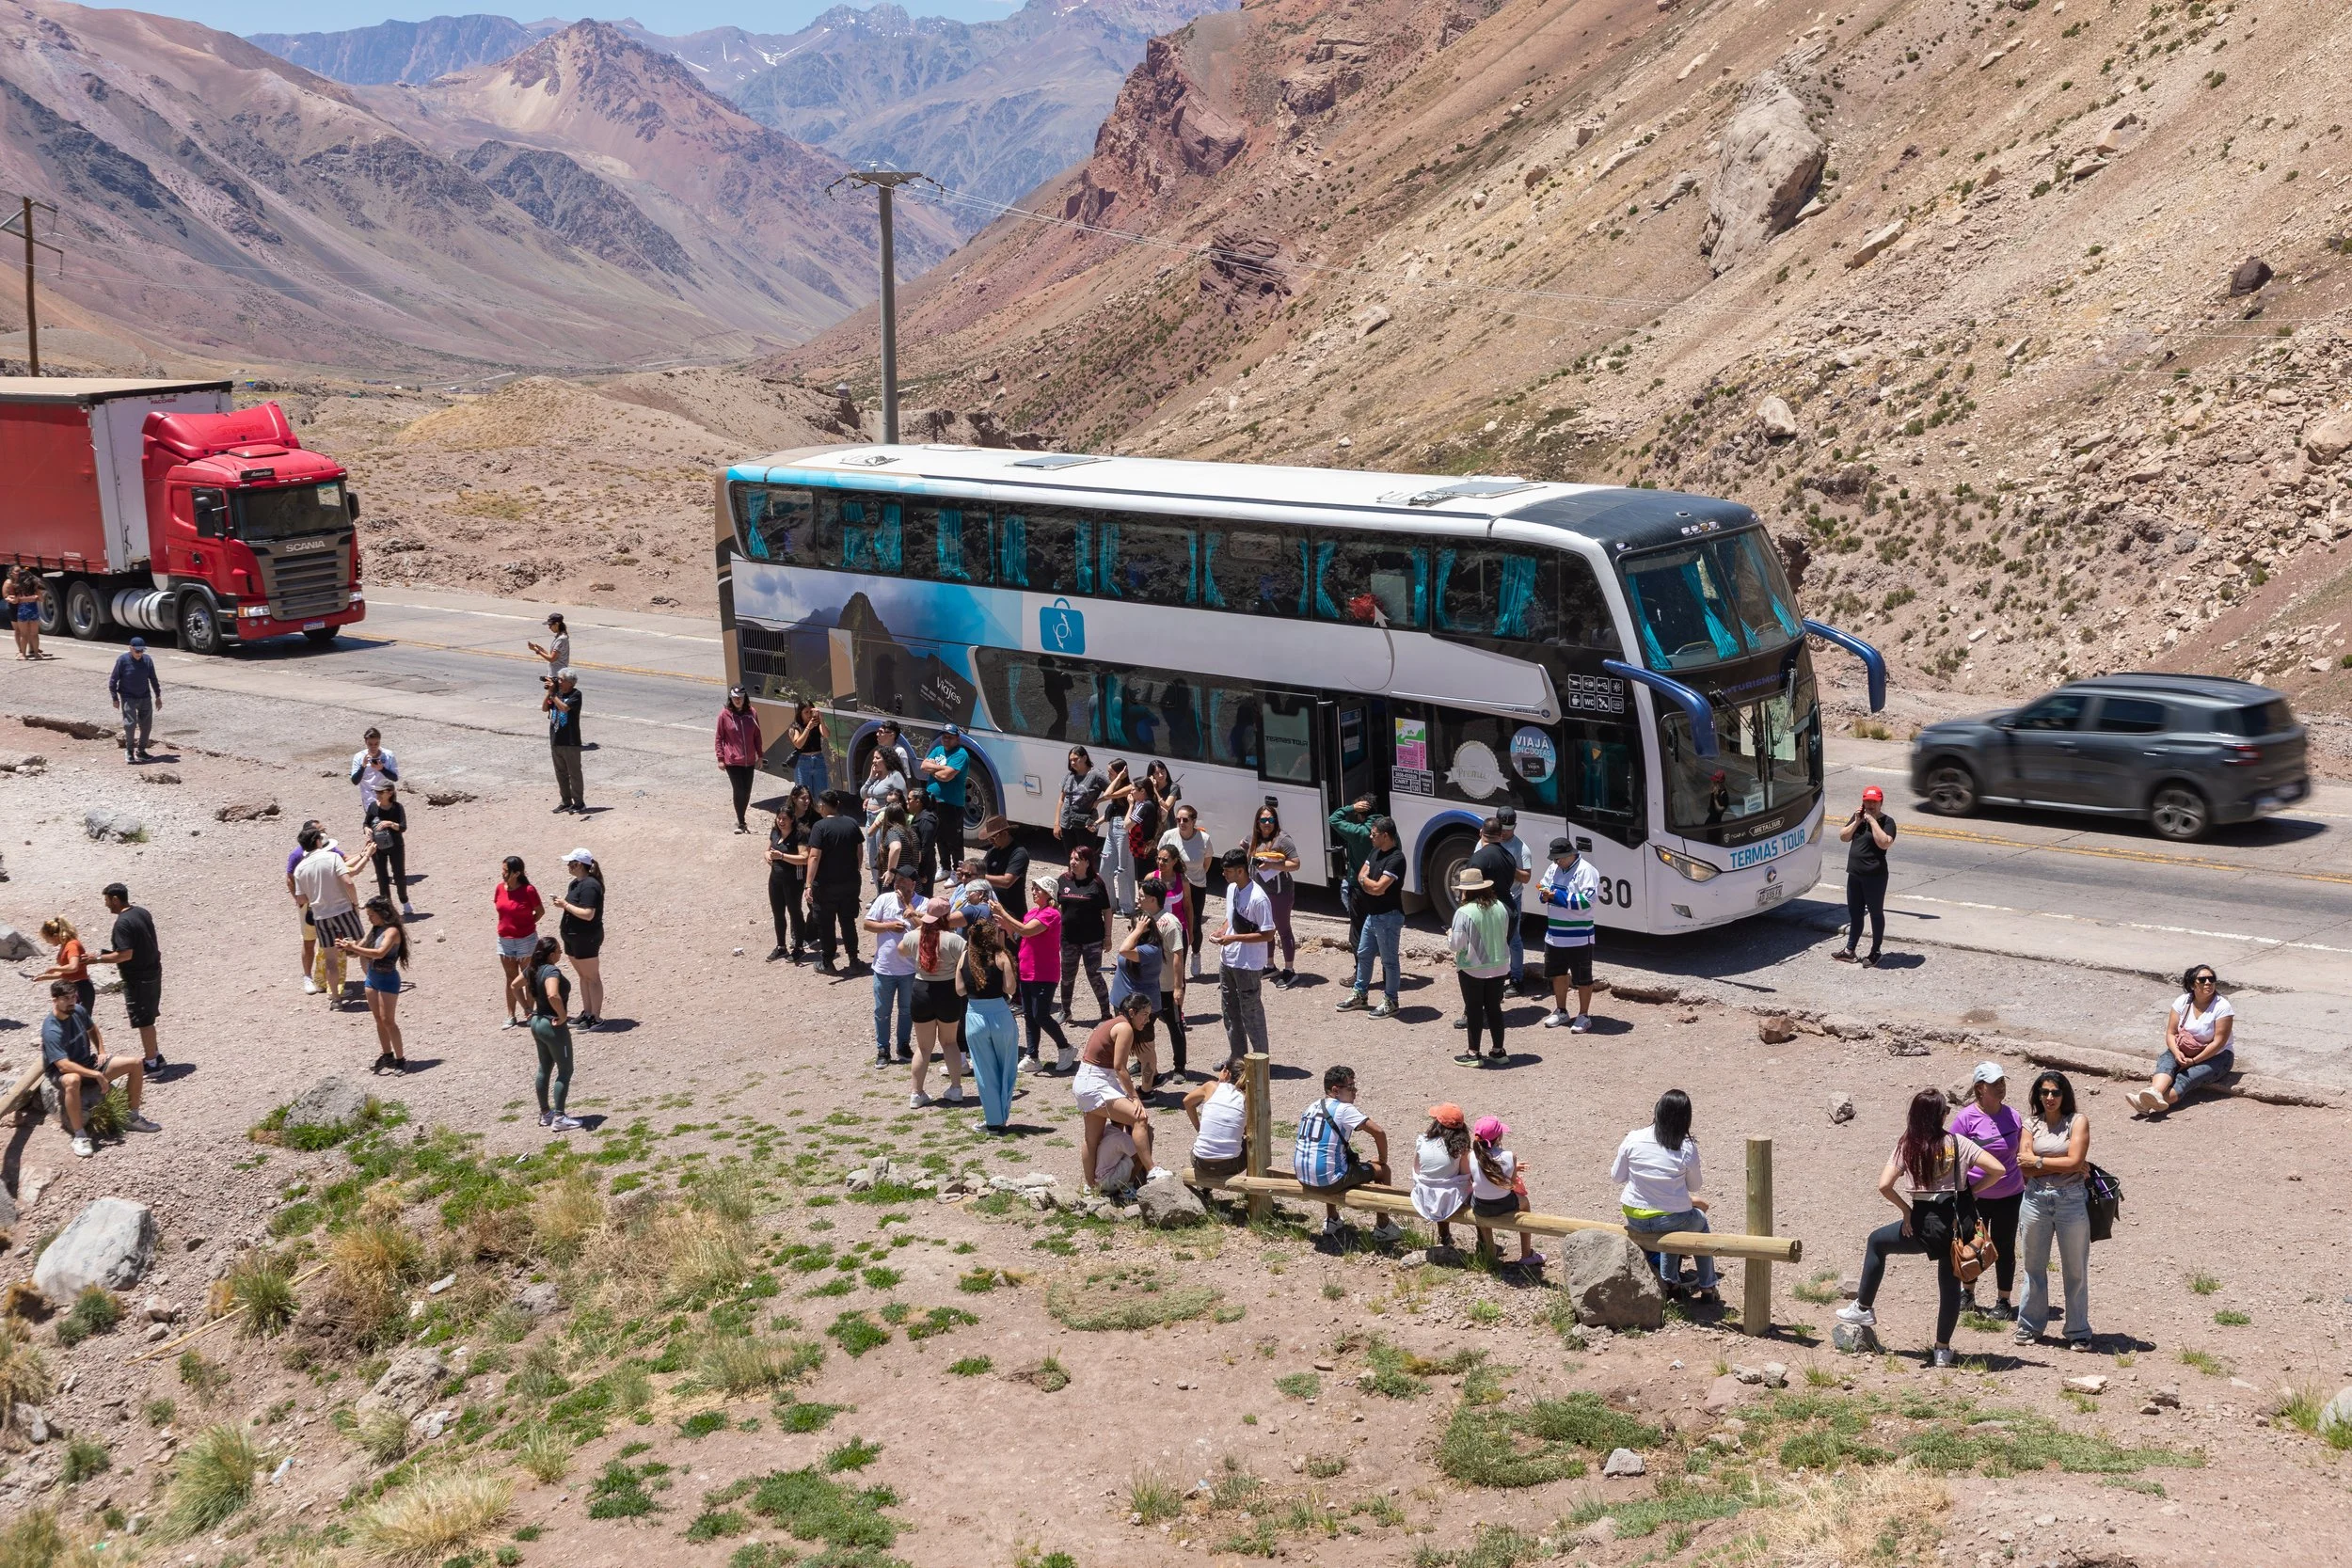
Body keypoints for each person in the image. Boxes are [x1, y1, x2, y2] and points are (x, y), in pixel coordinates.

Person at [1837, 1088, 2008, 1367]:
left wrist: (1906, 1210)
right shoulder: (1958, 1143)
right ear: (1940, 1115)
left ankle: (1864, 1307)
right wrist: (1972, 1192)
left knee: (1878, 1242)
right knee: (1951, 1283)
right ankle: (1942, 1350)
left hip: (1924, 1224)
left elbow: (1884, 1185)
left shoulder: (1908, 1145)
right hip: (1958, 1224)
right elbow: (1998, 1169)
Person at [2013, 1071, 2095, 1351]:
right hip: (2035, 1200)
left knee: (2076, 1269)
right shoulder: (2030, 1124)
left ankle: (2078, 1330)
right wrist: (2060, 1161)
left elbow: (2075, 1162)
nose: (2050, 1098)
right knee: (2033, 1268)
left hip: (2070, 1201)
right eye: (2045, 1092)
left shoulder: (2077, 1121)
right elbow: (2022, 1166)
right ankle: (2029, 1326)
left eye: (2055, 1093)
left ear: (2065, 1095)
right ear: (2038, 1094)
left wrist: (2038, 1161)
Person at [1612, 1090, 1718, 1304]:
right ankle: (1707, 1287)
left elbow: (1617, 1177)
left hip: (1636, 1217)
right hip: (1671, 1219)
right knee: (1699, 1223)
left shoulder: (1633, 1137)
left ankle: (1671, 1282)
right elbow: (1695, 1185)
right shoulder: (1686, 1147)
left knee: (1673, 1225)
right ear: (1686, 1118)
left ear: (1657, 1111)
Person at [41, 980, 160, 1158]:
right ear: (55, 1000)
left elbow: (92, 1028)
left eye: (73, 996)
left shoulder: (78, 1011)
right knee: (72, 1080)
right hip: (62, 1072)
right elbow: (63, 1065)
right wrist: (96, 1074)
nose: (71, 1001)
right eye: (66, 998)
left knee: (135, 1063)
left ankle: (132, 1117)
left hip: (87, 1062)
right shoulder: (51, 1029)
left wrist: (101, 1051)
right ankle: (80, 1136)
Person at [1947, 1062, 2025, 1322]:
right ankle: (1967, 1293)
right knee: (1972, 1244)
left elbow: (2019, 1153)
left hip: (2010, 1194)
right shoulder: (1966, 1119)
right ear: (1980, 1088)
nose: (2001, 1087)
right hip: (1976, 1195)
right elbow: (1952, 1154)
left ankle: (2003, 1301)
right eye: (1995, 1083)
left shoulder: (2013, 1116)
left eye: (2002, 1081)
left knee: (2005, 1246)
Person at [1292, 1065, 1401, 1243]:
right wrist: (1382, 1159)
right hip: (1327, 1181)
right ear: (1336, 1090)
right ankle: (1383, 1227)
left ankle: (1332, 1219)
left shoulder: (1311, 1106)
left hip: (1303, 1177)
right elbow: (1379, 1132)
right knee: (1383, 1170)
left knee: (1332, 1159)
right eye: (1350, 1087)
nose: (1355, 1092)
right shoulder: (1343, 1109)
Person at [1075, 994, 1159, 1189]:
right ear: (1132, 1012)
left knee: (1092, 1139)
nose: (1147, 1020)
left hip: (1086, 1081)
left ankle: (1092, 1186)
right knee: (1139, 1118)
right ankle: (1152, 1170)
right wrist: (1135, 1097)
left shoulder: (1113, 1023)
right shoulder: (1125, 1028)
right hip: (1097, 1083)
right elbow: (1120, 1067)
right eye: (1144, 1015)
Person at [996, 870, 1074, 1073]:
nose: (1033, 892)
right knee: (1030, 1015)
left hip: (1044, 973)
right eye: (1033, 888)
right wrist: (1006, 926)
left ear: (1048, 893)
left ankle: (1065, 1047)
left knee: (1041, 1014)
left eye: (1037, 889)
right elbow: (1020, 938)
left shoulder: (1051, 914)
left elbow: (1026, 931)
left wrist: (1005, 914)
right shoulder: (1031, 914)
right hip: (1027, 971)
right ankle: (1032, 1055)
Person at [2132, 964, 2233, 1117]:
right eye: (2203, 979)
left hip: (2217, 1056)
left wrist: (2194, 1061)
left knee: (2186, 1078)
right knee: (2166, 1063)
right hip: (2184, 1048)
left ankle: (2144, 1103)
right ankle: (2154, 1093)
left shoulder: (2222, 1007)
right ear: (2192, 984)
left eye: (2211, 979)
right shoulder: (2183, 1001)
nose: (2208, 983)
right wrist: (2176, 1052)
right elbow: (2171, 1033)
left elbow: (2218, 1042)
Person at [1336, 817, 1406, 1018]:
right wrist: (1368, 883)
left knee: (1389, 961)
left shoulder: (1396, 858)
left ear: (1386, 836)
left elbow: (1378, 888)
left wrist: (1367, 883)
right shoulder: (1375, 851)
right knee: (1364, 953)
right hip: (1373, 915)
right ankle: (1360, 994)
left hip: (1389, 917)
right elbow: (1362, 875)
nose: (1370, 837)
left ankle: (1391, 1001)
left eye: (1374, 834)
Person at [92, 884, 167, 1071]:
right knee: (148, 1016)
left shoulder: (122, 923)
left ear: (115, 899)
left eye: (107, 900)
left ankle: (151, 1063)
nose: (106, 905)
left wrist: (96, 959)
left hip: (138, 978)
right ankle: (156, 1055)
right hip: (152, 972)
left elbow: (125, 954)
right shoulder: (141, 912)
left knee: (144, 1020)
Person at [958, 911, 1021, 1132]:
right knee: (1007, 1068)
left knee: (984, 1070)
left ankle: (993, 1121)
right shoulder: (1001, 956)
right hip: (1000, 1014)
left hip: (975, 1016)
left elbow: (959, 989)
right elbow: (1010, 989)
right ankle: (1002, 1115)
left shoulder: (965, 957)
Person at [901, 898, 967, 1108]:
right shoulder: (954, 940)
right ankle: (956, 1089)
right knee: (950, 1042)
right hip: (948, 991)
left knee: (923, 1047)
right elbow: (967, 960)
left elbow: (901, 950)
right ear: (946, 917)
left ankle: (916, 1093)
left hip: (921, 991)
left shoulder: (913, 937)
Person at [293, 830, 366, 1011]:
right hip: (343, 910)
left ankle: (336, 999)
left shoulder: (300, 869)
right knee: (363, 949)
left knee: (331, 959)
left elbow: (301, 899)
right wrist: (355, 904)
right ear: (318, 841)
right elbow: (348, 882)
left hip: (321, 916)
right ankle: (375, 986)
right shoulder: (332, 858)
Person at [1214, 846, 1275, 1064]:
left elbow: (1267, 934)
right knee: (1229, 1010)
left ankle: (1260, 1060)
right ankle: (1238, 1058)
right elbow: (1232, 916)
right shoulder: (1232, 889)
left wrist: (1232, 939)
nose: (1223, 874)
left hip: (1248, 964)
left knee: (1251, 1012)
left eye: (1227, 870)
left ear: (1240, 871)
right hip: (1228, 959)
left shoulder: (1259, 898)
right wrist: (1223, 930)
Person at [337, 895, 410, 1073]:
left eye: (371, 915)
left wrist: (354, 948)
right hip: (372, 978)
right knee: (378, 1019)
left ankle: (401, 1059)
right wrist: (348, 946)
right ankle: (387, 1055)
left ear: (382, 913)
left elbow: (379, 953)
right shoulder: (375, 930)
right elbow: (359, 949)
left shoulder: (392, 931)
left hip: (388, 980)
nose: (369, 918)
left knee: (388, 1021)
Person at [1447, 868, 1511, 1065]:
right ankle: (1499, 1051)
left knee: (1474, 1009)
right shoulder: (1500, 906)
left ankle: (1473, 1053)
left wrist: (1450, 934)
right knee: (1494, 1008)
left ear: (1466, 891)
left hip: (1473, 967)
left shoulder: (1463, 912)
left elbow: (1456, 945)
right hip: (1500, 966)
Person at [1535, 836, 1599, 1032]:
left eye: (1559, 858)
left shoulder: (1586, 871)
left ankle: (1584, 1015)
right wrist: (1544, 894)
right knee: (1557, 974)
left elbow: (1588, 901)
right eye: (1554, 859)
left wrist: (1557, 896)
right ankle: (1561, 1011)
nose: (1556, 862)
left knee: (1583, 978)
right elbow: (1543, 888)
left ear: (1570, 854)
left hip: (1579, 936)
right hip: (1555, 935)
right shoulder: (1554, 868)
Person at [863, 863, 922, 1067]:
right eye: (896, 880)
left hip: (909, 969)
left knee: (907, 1010)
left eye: (903, 881)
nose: (898, 884)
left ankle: (903, 1045)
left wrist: (908, 907)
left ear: (913, 884)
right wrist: (888, 926)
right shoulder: (883, 899)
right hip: (884, 968)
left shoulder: (923, 904)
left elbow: (927, 930)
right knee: (882, 1011)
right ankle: (883, 1048)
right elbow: (867, 924)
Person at [1111, 881, 1171, 1075]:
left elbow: (1123, 950)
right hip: (1125, 1005)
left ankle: (1150, 1083)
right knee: (1131, 1044)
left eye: (1133, 928)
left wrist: (1137, 931)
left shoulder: (1150, 950)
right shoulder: (1140, 949)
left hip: (1140, 1008)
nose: (1130, 931)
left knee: (1145, 1048)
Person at [523, 935, 582, 1132]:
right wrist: (562, 1015)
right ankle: (559, 1117)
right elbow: (552, 994)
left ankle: (545, 1113)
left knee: (544, 1068)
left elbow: (515, 986)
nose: (561, 953)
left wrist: (526, 1008)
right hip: (553, 1025)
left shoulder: (532, 969)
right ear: (550, 954)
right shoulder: (551, 971)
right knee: (565, 1070)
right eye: (558, 950)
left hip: (537, 1022)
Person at [1836, 785, 1898, 965]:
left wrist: (1872, 821)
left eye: (1874, 802)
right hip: (1854, 874)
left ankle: (1875, 951)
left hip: (1875, 877)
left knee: (1876, 913)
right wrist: (1856, 822)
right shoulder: (1858, 819)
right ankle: (1850, 950)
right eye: (1867, 801)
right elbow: (1843, 837)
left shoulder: (1888, 822)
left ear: (1880, 803)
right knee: (1855, 913)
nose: (1870, 805)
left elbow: (1884, 843)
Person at [1470, 1117, 1542, 1270]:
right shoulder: (1510, 1156)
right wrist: (1514, 1168)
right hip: (1504, 1204)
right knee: (1524, 1202)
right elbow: (1511, 1184)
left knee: (1481, 1209)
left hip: (1481, 1206)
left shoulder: (1471, 1156)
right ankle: (1526, 1254)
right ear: (1499, 1137)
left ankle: (1490, 1254)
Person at [806, 790, 867, 972]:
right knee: (848, 921)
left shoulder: (820, 827)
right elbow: (859, 851)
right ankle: (854, 959)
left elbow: (814, 857)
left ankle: (828, 961)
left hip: (825, 886)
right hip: (849, 883)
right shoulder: (852, 823)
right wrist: (855, 871)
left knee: (826, 923)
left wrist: (808, 884)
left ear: (823, 805)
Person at [1055, 844, 1113, 1025]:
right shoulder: (1063, 880)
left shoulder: (1097, 883)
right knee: (1067, 976)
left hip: (1092, 939)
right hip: (1069, 939)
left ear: (1087, 862)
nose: (1073, 862)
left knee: (1094, 975)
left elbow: (1107, 911)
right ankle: (1066, 1011)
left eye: (1077, 859)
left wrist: (1108, 937)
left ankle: (1105, 1013)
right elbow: (1056, 907)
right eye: (1071, 858)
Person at [1248, 804, 1302, 985]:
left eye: (1270, 819)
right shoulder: (1253, 839)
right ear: (1257, 822)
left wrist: (1272, 865)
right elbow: (1245, 851)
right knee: (1266, 929)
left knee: (1284, 930)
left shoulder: (1283, 840)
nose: (1267, 823)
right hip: (1260, 893)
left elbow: (1295, 864)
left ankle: (1289, 970)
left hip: (1280, 893)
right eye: (1263, 820)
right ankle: (1269, 966)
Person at [551, 848, 607, 1027]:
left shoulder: (590, 885)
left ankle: (596, 1017)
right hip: (573, 937)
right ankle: (587, 1012)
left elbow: (588, 914)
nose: (568, 866)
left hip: (586, 937)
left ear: (580, 865)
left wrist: (565, 905)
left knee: (592, 977)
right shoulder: (575, 884)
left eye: (571, 863)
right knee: (583, 976)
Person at [1157, 805, 1214, 977]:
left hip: (1196, 885)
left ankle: (1195, 953)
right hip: (1174, 883)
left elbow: (1207, 863)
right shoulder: (1169, 836)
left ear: (1193, 821)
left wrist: (1195, 876)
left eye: (1186, 820)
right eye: (1179, 819)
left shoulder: (1204, 839)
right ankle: (1171, 959)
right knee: (1169, 921)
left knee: (1194, 924)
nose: (1182, 823)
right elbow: (1161, 857)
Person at [1410, 1103, 1473, 1252]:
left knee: (1441, 1182)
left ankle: (1444, 1235)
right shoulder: (1460, 1148)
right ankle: (1484, 1243)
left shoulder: (1423, 1140)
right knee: (1468, 1191)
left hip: (1424, 1196)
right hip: (1449, 1198)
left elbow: (1416, 1168)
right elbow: (1465, 1175)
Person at [495, 855, 545, 1026]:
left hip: (526, 941)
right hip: (505, 941)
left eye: (506, 871)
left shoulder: (529, 890)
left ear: (516, 873)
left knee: (529, 978)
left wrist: (527, 925)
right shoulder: (500, 889)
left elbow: (539, 911)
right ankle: (511, 1015)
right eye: (503, 870)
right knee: (510, 978)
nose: (503, 874)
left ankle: (530, 1013)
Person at [1184, 1060, 1248, 1186]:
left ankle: (1205, 1187)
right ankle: (1252, 1188)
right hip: (1230, 1165)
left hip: (1199, 1162)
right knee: (1249, 1143)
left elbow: (1187, 1101)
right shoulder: (1246, 1097)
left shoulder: (1211, 1087)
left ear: (1226, 1072)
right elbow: (1247, 1130)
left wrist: (1198, 1126)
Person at [920, 724, 973, 874]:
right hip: (933, 800)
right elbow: (923, 766)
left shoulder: (960, 754)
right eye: (944, 736)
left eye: (950, 737)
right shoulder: (938, 750)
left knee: (954, 840)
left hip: (952, 803)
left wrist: (934, 770)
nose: (946, 739)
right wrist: (940, 770)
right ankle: (945, 867)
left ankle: (958, 871)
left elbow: (946, 777)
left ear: (957, 738)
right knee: (939, 836)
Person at [1327, 793, 1375, 955]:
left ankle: (1360, 975)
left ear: (1360, 814)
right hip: (1382, 885)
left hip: (1358, 887)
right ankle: (1387, 977)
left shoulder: (1358, 831)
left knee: (1357, 932)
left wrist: (1350, 808)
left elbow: (1333, 819)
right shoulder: (1388, 829)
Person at [765, 800, 812, 962]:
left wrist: (782, 856)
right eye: (779, 818)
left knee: (794, 912)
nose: (781, 821)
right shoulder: (775, 832)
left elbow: (804, 858)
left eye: (784, 818)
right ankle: (781, 947)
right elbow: (768, 849)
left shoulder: (800, 834)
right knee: (778, 913)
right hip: (775, 879)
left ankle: (799, 947)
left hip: (794, 880)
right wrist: (767, 856)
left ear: (792, 819)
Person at [715, 688, 765, 833]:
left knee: (747, 791)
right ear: (731, 698)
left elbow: (757, 736)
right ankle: (741, 822)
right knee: (739, 790)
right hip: (732, 760)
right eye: (735, 697)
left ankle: (741, 819)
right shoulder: (724, 715)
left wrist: (760, 755)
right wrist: (720, 758)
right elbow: (719, 737)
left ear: (745, 698)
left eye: (740, 697)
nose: (738, 700)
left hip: (749, 760)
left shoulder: (752, 713)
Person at [286, 818, 327, 993]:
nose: (324, 833)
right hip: (309, 905)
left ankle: (323, 977)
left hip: (327, 902)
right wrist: (300, 900)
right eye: (320, 831)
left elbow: (345, 860)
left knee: (329, 943)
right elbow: (290, 878)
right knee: (309, 941)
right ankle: (307, 977)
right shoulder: (296, 855)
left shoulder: (328, 848)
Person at [108, 636, 163, 764]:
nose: (139, 654)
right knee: (130, 725)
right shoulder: (122, 660)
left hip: (145, 697)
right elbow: (113, 680)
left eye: (142, 651)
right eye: (137, 651)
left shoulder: (147, 660)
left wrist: (158, 696)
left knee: (146, 725)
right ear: (130, 649)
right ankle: (129, 751)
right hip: (128, 697)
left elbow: (153, 679)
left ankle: (141, 751)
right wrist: (115, 698)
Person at [365, 783, 414, 917]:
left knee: (399, 875)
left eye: (381, 792)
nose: (378, 795)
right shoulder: (373, 806)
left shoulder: (397, 808)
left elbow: (403, 827)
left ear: (390, 793)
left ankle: (405, 902)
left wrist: (390, 824)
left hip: (396, 846)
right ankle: (388, 909)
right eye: (377, 792)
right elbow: (366, 823)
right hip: (378, 847)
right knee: (382, 877)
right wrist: (367, 829)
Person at [1099, 759, 1138, 914]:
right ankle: (1110, 904)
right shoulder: (1116, 786)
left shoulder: (1130, 787)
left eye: (1111, 772)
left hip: (1124, 826)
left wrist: (1119, 777)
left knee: (1124, 868)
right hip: (1113, 825)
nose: (1108, 775)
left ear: (1121, 772)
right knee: (1104, 868)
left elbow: (1107, 795)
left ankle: (1127, 907)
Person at [545, 668, 586, 814]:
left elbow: (564, 708)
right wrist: (549, 693)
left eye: (561, 680)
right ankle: (566, 801)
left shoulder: (576, 694)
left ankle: (579, 803)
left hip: (570, 741)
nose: (559, 682)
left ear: (570, 682)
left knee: (574, 773)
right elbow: (545, 708)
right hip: (556, 740)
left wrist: (553, 694)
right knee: (560, 773)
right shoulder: (557, 694)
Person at [34, 916, 94, 1015]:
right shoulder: (65, 946)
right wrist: (45, 977)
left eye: (47, 939)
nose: (47, 942)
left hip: (80, 989)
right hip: (72, 988)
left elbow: (73, 967)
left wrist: (54, 968)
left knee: (80, 1022)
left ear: (55, 936)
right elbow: (66, 973)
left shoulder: (72, 946)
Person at [977, 814, 1032, 917]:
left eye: (993, 838)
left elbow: (1007, 881)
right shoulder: (992, 852)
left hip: (1011, 912)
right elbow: (981, 869)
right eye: (989, 838)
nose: (990, 841)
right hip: (992, 908)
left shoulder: (1019, 853)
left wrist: (979, 876)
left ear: (1005, 833)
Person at [1057, 746, 1106, 852]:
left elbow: (1114, 791)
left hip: (1085, 824)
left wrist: (1099, 801)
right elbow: (1061, 800)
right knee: (1071, 857)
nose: (1073, 763)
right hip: (1067, 823)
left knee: (1085, 856)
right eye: (1071, 760)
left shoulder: (1095, 775)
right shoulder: (1069, 776)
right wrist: (1057, 823)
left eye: (1076, 759)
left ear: (1084, 758)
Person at [867, 799, 915, 893]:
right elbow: (919, 856)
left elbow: (896, 848)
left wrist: (890, 871)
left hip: (894, 882)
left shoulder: (893, 832)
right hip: (910, 878)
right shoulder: (911, 833)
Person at [350, 728, 399, 815]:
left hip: (387, 797)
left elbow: (395, 778)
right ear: (366, 742)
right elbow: (355, 781)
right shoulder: (359, 757)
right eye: (370, 744)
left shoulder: (388, 755)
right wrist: (363, 766)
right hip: (369, 798)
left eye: (376, 744)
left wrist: (382, 769)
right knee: (374, 825)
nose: (373, 747)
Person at [7, 566, 50, 660]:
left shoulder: (18, 588)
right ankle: (36, 654)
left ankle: (23, 655)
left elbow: (15, 601)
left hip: (22, 612)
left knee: (24, 635)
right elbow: (42, 599)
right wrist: (33, 598)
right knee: (34, 634)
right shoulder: (35, 588)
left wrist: (10, 599)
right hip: (33, 611)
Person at [861, 746, 908, 831]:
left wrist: (883, 810)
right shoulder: (877, 776)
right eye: (874, 758)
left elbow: (903, 799)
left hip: (883, 819)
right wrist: (871, 777)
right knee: (870, 844)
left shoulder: (895, 776)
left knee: (881, 843)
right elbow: (863, 795)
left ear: (887, 760)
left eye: (877, 758)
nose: (873, 761)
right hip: (869, 819)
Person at [788, 703, 829, 797]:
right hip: (803, 762)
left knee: (821, 794)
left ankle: (818, 811)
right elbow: (798, 744)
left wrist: (821, 719)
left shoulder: (817, 724)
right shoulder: (795, 726)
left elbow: (826, 735)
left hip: (818, 760)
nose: (809, 715)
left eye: (811, 711)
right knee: (804, 794)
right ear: (800, 714)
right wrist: (808, 728)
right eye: (806, 712)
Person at [871, 720, 917, 790]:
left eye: (881, 732)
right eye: (877, 731)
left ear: (892, 735)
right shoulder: (878, 751)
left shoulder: (899, 751)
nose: (877, 734)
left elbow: (906, 776)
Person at [527, 612, 569, 680]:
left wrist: (537, 650)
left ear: (557, 624)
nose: (549, 628)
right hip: (554, 674)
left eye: (550, 625)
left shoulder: (561, 639)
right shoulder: (559, 637)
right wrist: (540, 649)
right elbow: (552, 656)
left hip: (557, 676)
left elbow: (551, 659)